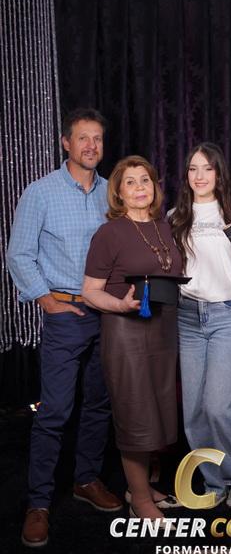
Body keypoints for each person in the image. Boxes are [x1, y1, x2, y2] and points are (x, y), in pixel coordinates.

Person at [6, 109, 122, 548]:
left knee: (99, 403)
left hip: (108, 315)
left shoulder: (112, 192)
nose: (91, 146)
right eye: (83, 138)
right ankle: (38, 503)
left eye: (98, 139)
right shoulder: (41, 192)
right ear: (66, 143)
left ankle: (86, 479)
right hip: (66, 314)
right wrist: (47, 301)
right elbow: (19, 253)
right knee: (55, 410)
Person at [82, 155, 183, 524]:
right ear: (119, 193)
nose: (140, 187)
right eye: (130, 182)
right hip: (126, 333)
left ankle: (140, 488)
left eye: (145, 180)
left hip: (163, 330)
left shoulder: (163, 226)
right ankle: (140, 499)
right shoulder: (109, 233)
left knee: (157, 412)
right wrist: (120, 305)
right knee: (136, 414)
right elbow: (90, 292)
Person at [169, 142, 231, 507]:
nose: (199, 176)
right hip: (188, 316)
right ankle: (214, 481)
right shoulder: (175, 217)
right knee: (194, 410)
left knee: (220, 404)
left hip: (228, 314)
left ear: (219, 174)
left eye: (207, 168)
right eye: (193, 168)